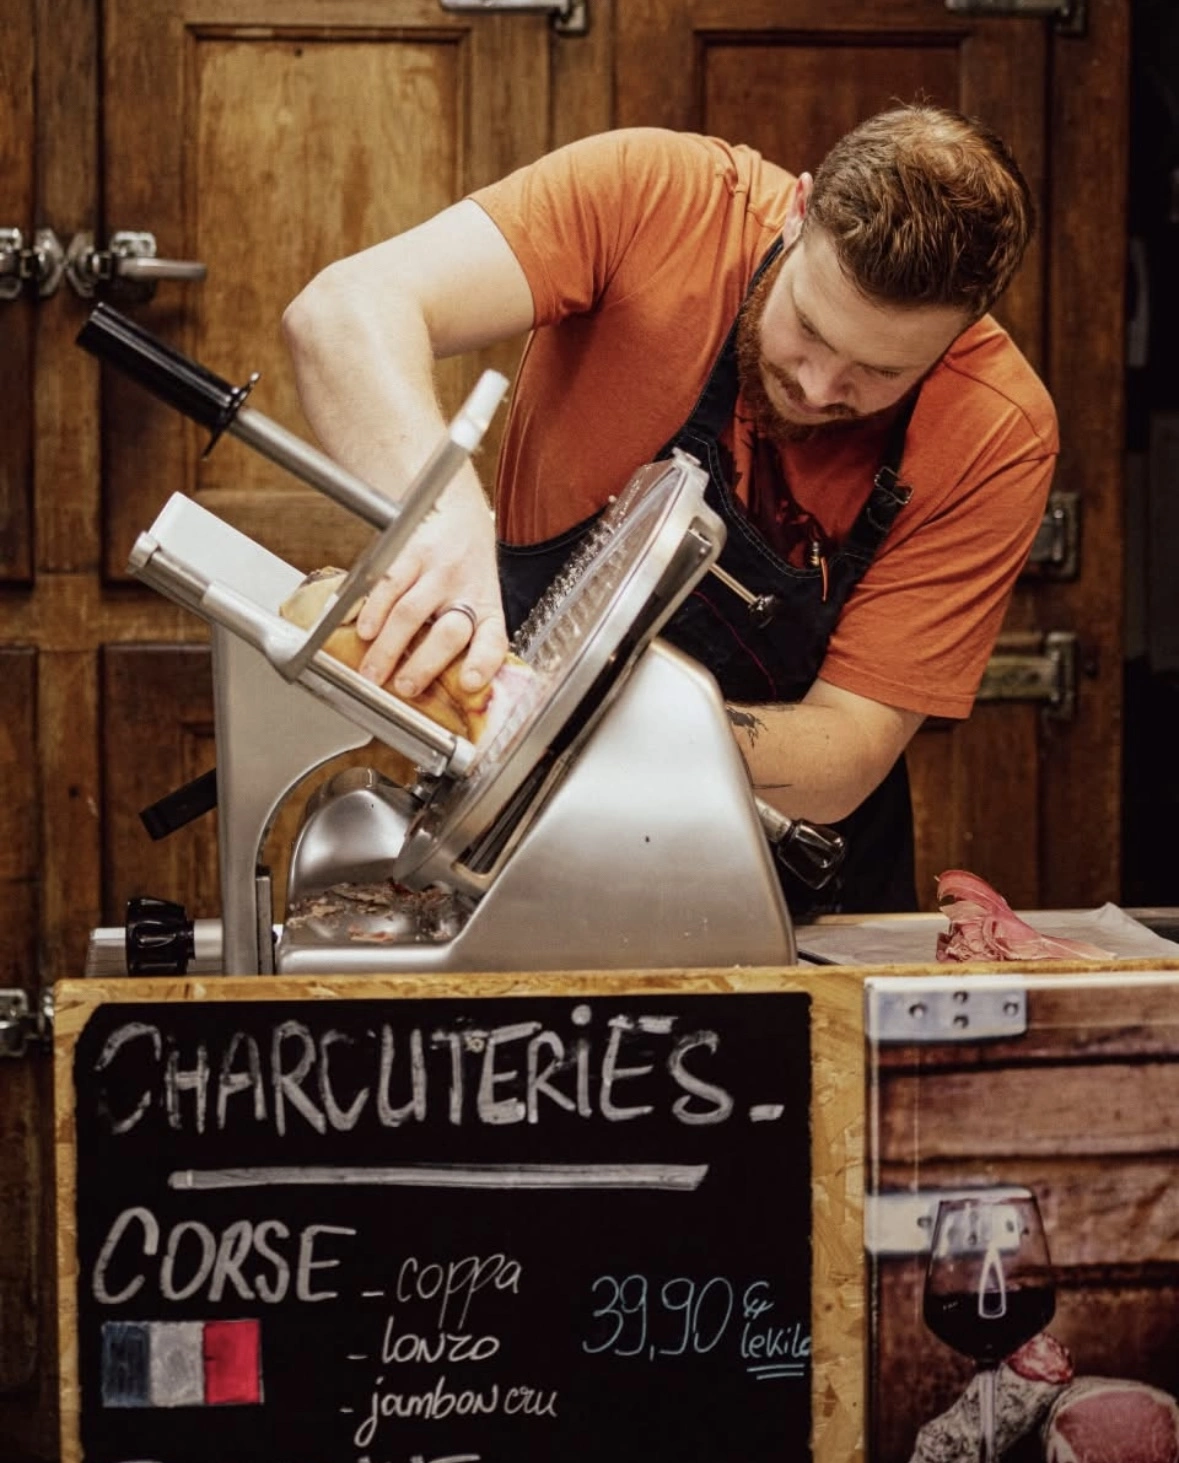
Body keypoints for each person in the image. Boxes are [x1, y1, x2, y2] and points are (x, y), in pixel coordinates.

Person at [281, 104, 1058, 914]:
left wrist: (592, 720)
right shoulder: (657, 200)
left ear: (959, 334)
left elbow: (846, 751)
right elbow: (340, 315)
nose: (820, 386)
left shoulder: (996, 430)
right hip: (508, 849)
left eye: (879, 371)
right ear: (796, 213)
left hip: (779, 892)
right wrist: (442, 518)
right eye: (809, 328)